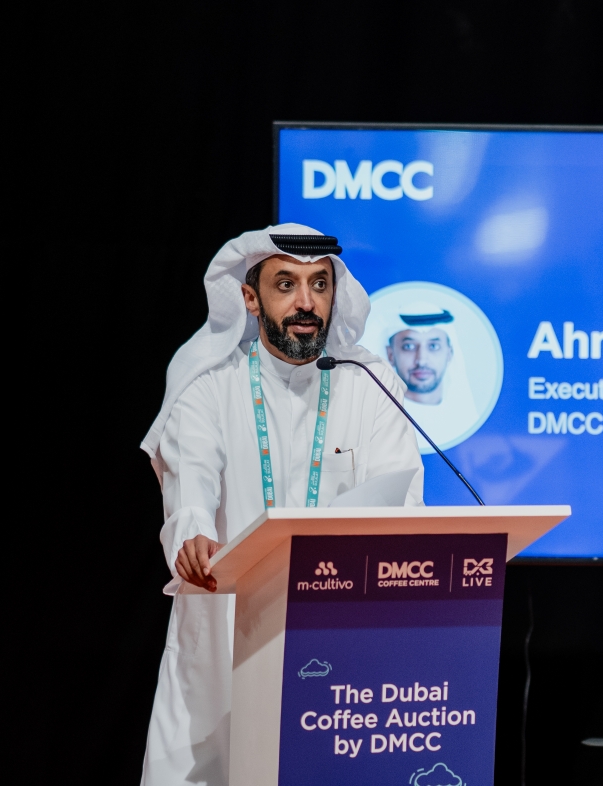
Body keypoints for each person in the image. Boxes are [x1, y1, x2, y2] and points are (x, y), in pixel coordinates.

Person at [139, 226, 424, 786]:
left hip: (340, 640)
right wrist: (194, 533)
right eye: (286, 284)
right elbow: (192, 481)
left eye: (319, 284)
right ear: (251, 299)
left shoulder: (370, 385)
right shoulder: (209, 387)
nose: (306, 302)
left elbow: (401, 499)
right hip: (225, 641)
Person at [380, 303, 480, 451]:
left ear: (449, 354)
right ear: (390, 355)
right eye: (409, 346)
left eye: (433, 346)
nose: (421, 360)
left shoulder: (465, 424)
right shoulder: (375, 424)